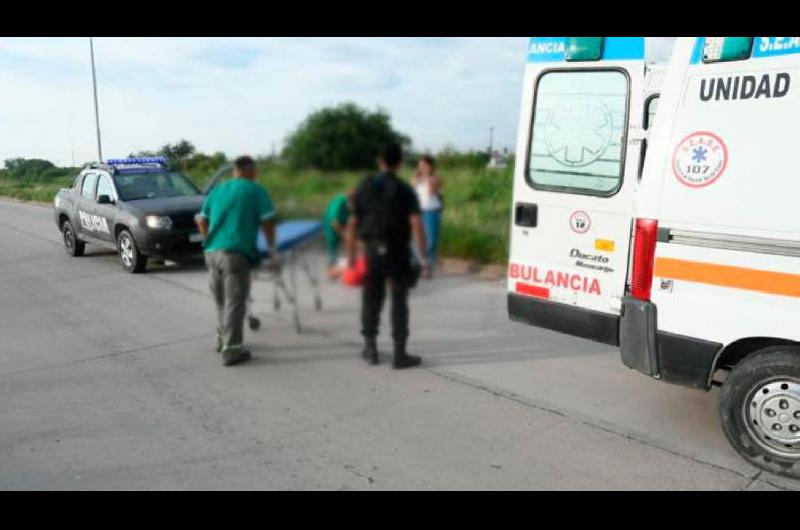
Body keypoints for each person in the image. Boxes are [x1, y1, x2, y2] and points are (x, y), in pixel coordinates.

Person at [346, 143, 428, 369]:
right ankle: (399, 354)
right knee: (399, 301)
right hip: (398, 251)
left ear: (379, 161)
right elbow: (416, 223)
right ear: (400, 162)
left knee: (371, 299)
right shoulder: (404, 189)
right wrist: (423, 258)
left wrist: (351, 256)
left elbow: (353, 222)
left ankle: (370, 349)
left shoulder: (365, 187)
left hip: (372, 250)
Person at [196, 155, 277, 367]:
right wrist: (271, 248)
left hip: (211, 253)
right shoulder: (255, 190)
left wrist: (208, 240)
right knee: (235, 302)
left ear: (234, 170)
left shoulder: (218, 190)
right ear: (252, 171)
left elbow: (201, 220)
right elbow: (268, 222)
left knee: (221, 300)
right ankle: (232, 350)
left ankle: (221, 339)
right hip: (235, 253)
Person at [413, 155, 443, 278]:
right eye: (420, 165)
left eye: (424, 165)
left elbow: (432, 190)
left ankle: (429, 266)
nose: (421, 168)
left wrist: (426, 177)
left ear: (430, 166)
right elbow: (411, 190)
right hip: (418, 211)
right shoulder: (417, 179)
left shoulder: (436, 178)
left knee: (431, 239)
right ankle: (421, 264)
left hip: (431, 211)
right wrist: (416, 179)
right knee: (417, 239)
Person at [323, 192, 353, 279]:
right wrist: (344, 234)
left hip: (344, 221)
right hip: (331, 224)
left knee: (348, 245)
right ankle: (331, 270)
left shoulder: (351, 204)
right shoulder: (339, 203)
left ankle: (347, 267)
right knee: (333, 245)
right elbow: (334, 223)